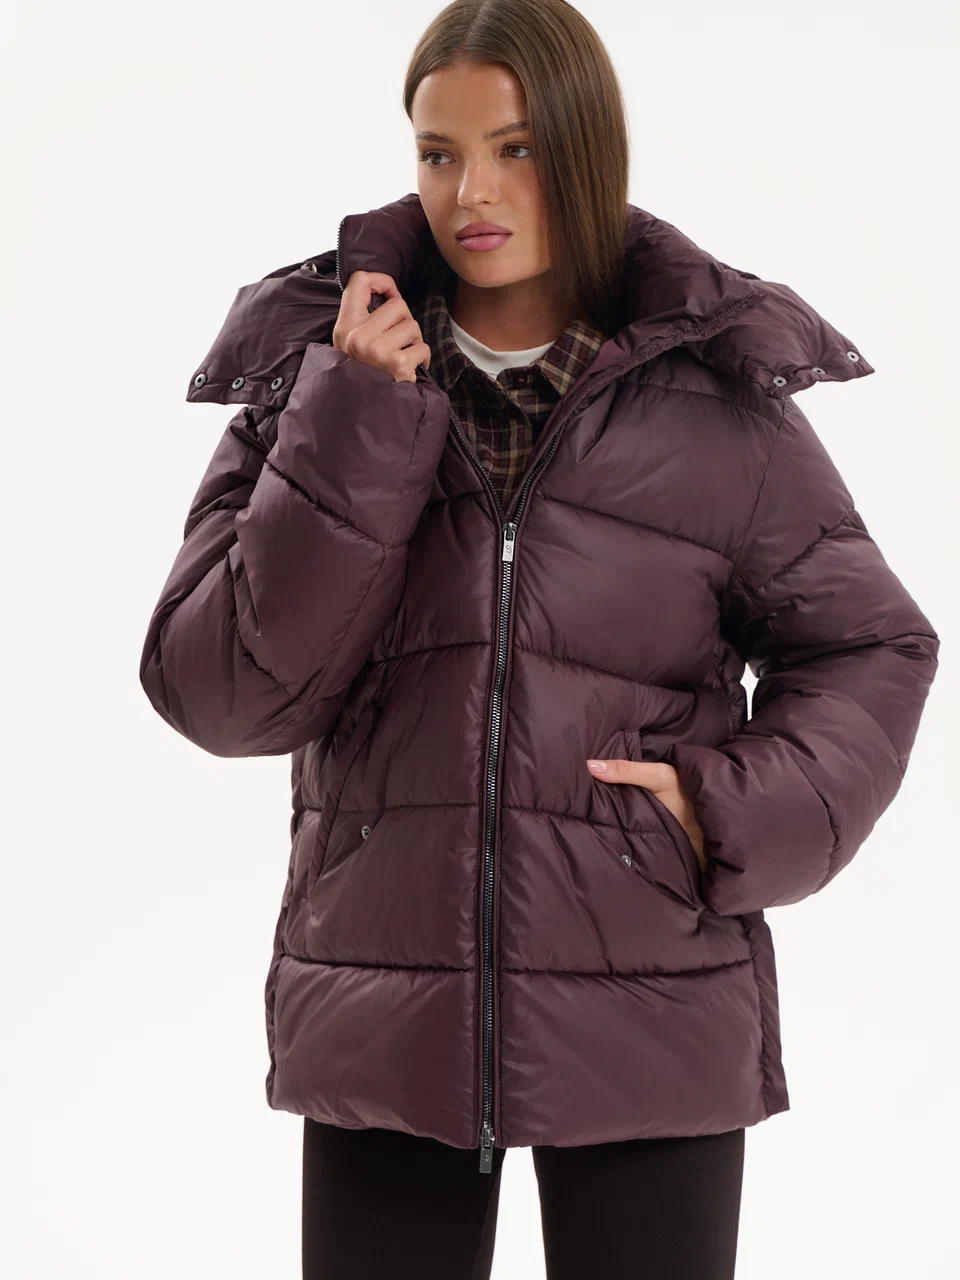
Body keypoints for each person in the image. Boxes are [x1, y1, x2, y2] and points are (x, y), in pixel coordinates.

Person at [138, 2, 940, 1277]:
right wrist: (355, 419)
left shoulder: (718, 405)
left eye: (514, 149)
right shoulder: (320, 381)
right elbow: (222, 695)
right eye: (439, 152)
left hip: (651, 989)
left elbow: (871, 645)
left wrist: (721, 811)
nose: (472, 192)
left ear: (584, 151)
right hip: (383, 990)